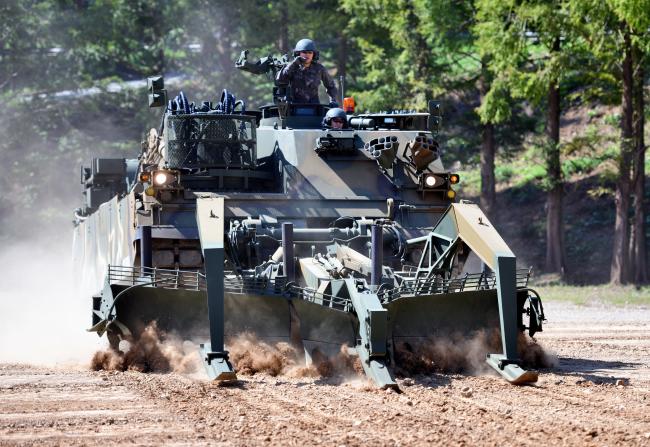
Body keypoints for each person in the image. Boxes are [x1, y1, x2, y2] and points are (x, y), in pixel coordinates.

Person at [277, 39, 339, 106]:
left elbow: (331, 86)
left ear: (313, 54)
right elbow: (280, 81)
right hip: (294, 108)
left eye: (310, 52)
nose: (307, 55)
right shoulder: (291, 67)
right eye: (304, 52)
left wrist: (333, 100)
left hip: (314, 107)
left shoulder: (319, 69)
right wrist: (294, 64)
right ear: (298, 53)